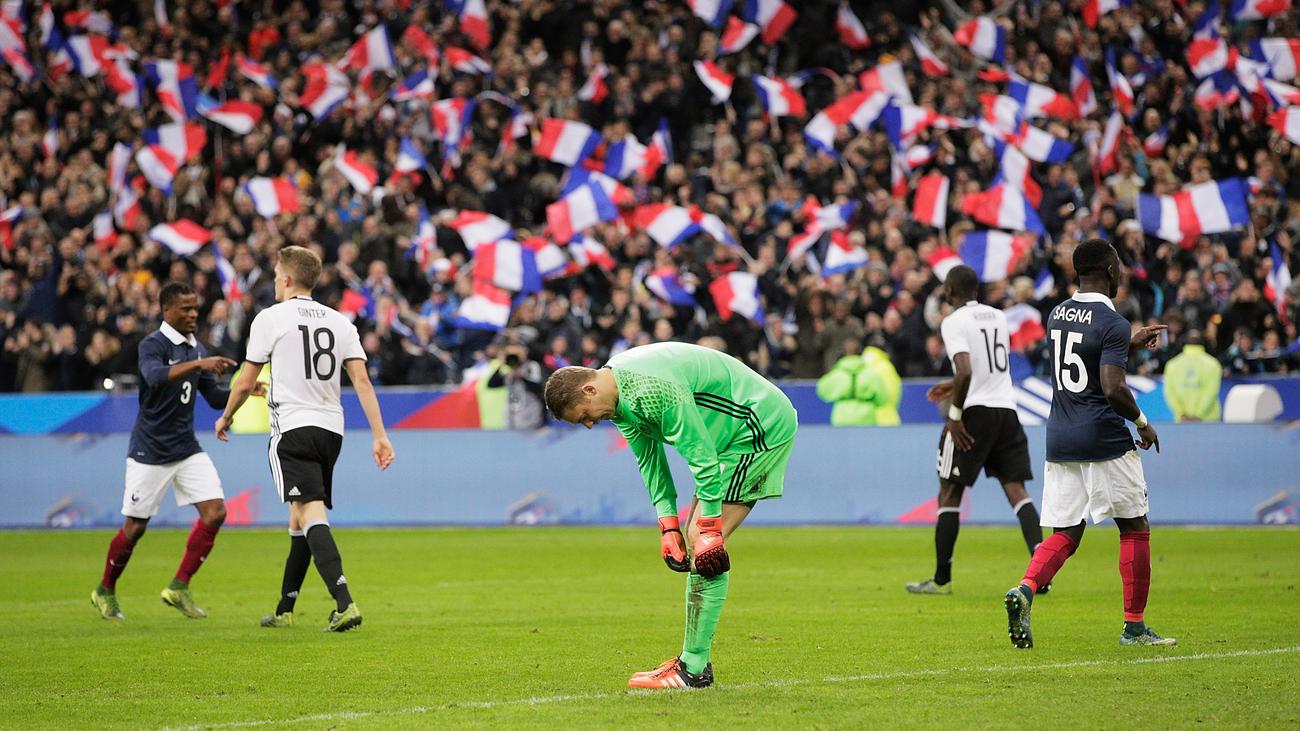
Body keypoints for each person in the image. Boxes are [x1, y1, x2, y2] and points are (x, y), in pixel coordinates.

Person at [543, 342, 798, 689]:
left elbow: (702, 458)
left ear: (589, 389)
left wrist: (708, 528)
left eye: (584, 415)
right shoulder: (619, 400)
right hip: (732, 438)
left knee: (704, 544)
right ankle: (693, 664)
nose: (589, 424)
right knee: (696, 541)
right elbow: (650, 462)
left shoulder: (651, 387)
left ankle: (693, 669)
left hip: (758, 426)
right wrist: (667, 526)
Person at [1003, 239, 1175, 649]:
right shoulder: (1113, 322)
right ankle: (1134, 628)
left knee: (1066, 531)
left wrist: (1128, 342)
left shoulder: (1057, 314)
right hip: (1103, 436)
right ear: (1111, 271)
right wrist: (1143, 422)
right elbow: (1113, 388)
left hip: (1060, 436)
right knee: (1134, 525)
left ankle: (1025, 589)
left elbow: (1082, 349)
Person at [216, 246, 395, 632]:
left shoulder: (270, 318)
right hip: (331, 430)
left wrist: (226, 415)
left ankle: (345, 602)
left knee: (311, 511)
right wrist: (379, 435)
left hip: (293, 427)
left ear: (284, 279)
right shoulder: (341, 322)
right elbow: (361, 380)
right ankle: (285, 608)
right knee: (299, 516)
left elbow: (246, 381)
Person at [91, 282, 252, 621]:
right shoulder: (153, 344)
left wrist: (246, 390)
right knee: (135, 528)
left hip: (186, 446)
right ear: (166, 310)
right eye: (186, 309)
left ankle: (179, 586)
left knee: (216, 512)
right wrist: (200, 365)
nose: (193, 314)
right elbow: (155, 376)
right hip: (150, 450)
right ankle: (105, 589)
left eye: (196, 308)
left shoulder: (196, 348)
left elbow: (212, 396)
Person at [907, 266, 1043, 595]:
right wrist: (951, 383)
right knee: (1017, 491)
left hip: (974, 412)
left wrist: (955, 415)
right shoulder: (997, 317)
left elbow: (967, 369)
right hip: (1006, 409)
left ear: (951, 291)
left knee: (949, 492)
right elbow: (987, 367)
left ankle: (941, 581)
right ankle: (1041, 576)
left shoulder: (953, 322)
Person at [1162, 331, 1222, 422]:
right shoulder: (1213, 364)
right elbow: (1211, 392)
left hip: (1182, 421)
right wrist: (1199, 414)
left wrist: (1181, 413)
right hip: (1209, 420)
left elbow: (1170, 393)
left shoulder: (1172, 364)